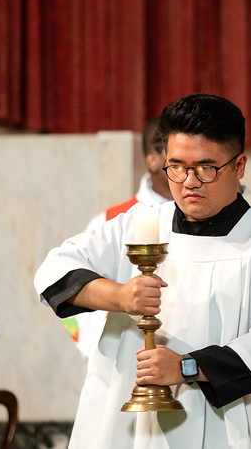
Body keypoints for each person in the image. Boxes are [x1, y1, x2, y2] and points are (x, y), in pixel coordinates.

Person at [34, 93, 251, 448]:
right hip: (139, 426)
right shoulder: (139, 227)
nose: (189, 182)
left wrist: (186, 367)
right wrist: (120, 297)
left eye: (206, 168)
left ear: (239, 165)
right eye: (177, 167)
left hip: (235, 420)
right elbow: (54, 270)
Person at [62, 117, 174, 358]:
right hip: (124, 358)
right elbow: (65, 289)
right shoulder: (111, 221)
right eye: (175, 158)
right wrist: (100, 354)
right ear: (153, 160)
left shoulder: (203, 219)